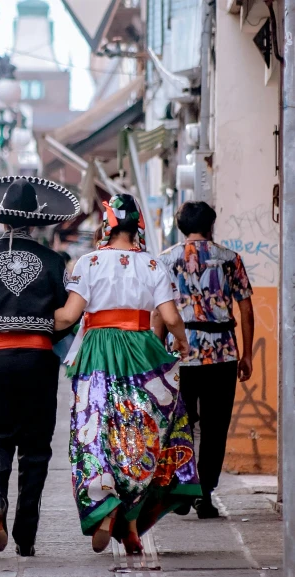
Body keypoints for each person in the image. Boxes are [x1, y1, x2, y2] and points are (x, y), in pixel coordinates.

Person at [54, 194, 200, 554]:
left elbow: (69, 317)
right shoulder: (152, 265)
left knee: (96, 430)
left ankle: (104, 510)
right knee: (141, 434)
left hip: (98, 351)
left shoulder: (87, 263)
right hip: (140, 350)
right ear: (137, 227)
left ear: (108, 225)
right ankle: (131, 525)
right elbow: (170, 318)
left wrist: (26, 320)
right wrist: (181, 343)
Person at [0, 176, 79, 556]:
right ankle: (26, 533)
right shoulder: (54, 260)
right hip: (40, 360)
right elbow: (66, 317)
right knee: (37, 447)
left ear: (1, 219)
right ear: (36, 221)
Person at [153, 201, 254, 519]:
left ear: (181, 227)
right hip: (221, 353)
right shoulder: (229, 259)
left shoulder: (166, 260)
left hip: (179, 355)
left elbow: (159, 311)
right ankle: (204, 495)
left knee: (178, 423)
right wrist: (246, 353)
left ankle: (183, 488)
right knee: (215, 427)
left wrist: (157, 354)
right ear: (210, 226)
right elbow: (246, 309)